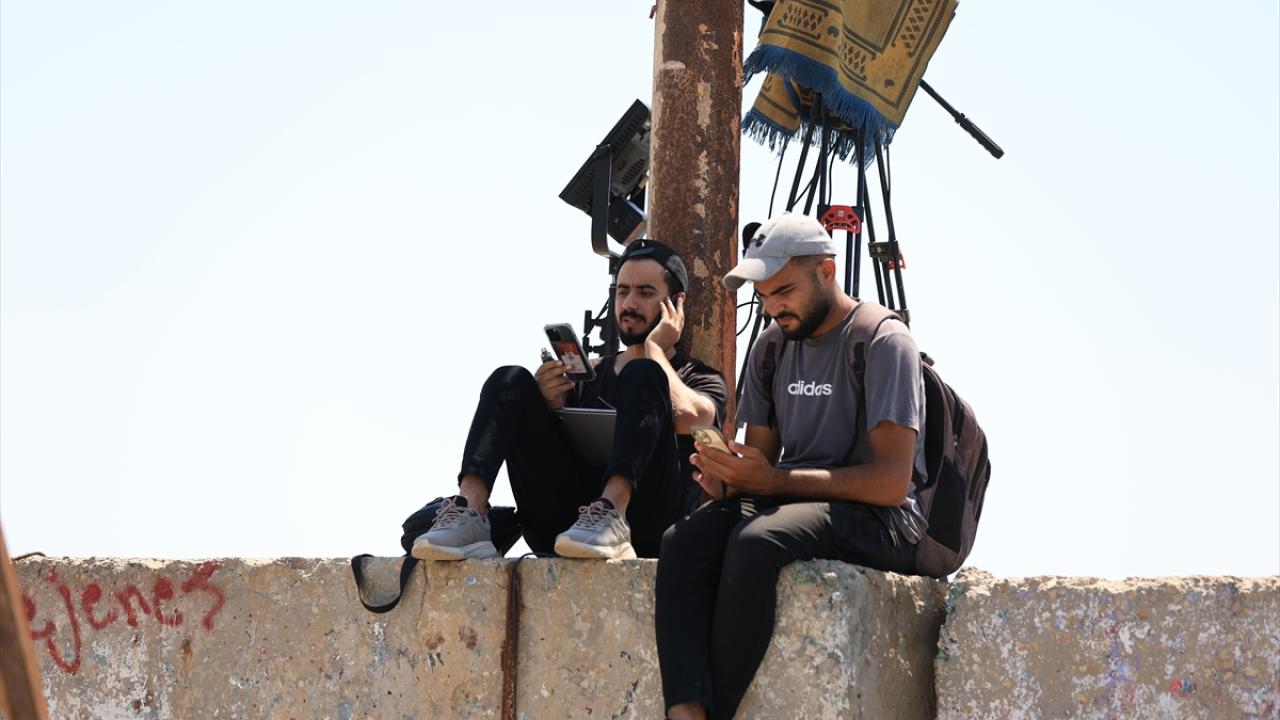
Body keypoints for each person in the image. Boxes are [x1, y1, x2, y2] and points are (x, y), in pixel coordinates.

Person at [655, 213, 928, 720]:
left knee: (757, 541)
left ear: (827, 271)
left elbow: (892, 483)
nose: (772, 307)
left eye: (783, 291)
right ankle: (685, 711)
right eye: (763, 295)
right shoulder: (771, 347)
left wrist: (773, 481)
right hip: (793, 501)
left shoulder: (884, 340)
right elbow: (760, 463)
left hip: (881, 519)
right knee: (683, 539)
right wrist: (728, 481)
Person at [413, 239, 728, 561]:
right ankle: (470, 509)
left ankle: (612, 513)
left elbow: (697, 419)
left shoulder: (698, 378)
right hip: (566, 525)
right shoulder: (588, 375)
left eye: (645, 293)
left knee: (644, 373)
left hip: (647, 529)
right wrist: (547, 407)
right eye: (622, 292)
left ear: (675, 303)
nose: (629, 303)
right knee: (509, 380)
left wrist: (655, 351)